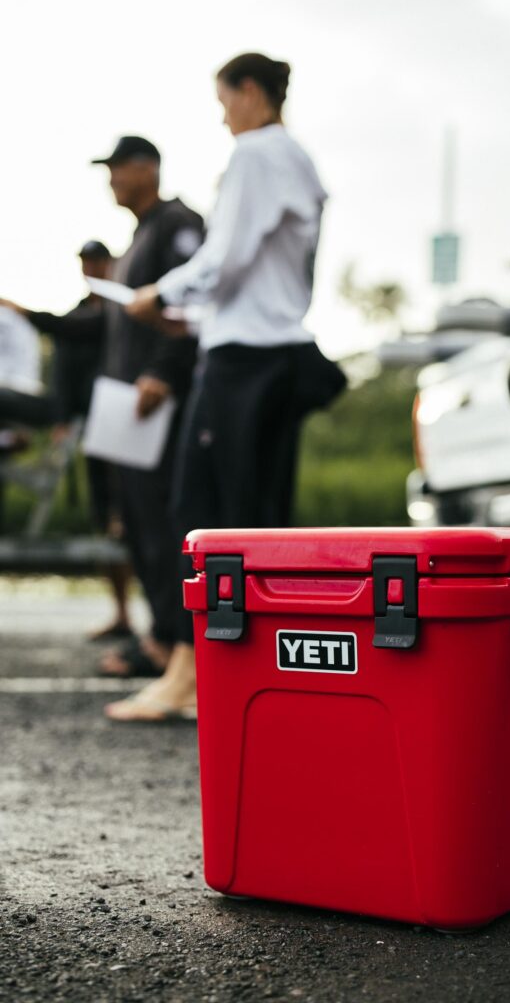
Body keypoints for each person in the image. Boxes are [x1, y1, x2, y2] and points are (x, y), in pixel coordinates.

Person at [105, 52, 333, 721]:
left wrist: (158, 293)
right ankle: (229, 676)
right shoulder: (300, 161)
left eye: (224, 99)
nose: (222, 114)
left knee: (202, 519)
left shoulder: (256, 154)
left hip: (242, 362)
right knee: (252, 520)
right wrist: (195, 312)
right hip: (272, 353)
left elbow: (224, 254)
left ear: (250, 91)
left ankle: (193, 674)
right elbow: (264, 274)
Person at [89, 136, 204, 677]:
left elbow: (189, 305)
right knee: (134, 521)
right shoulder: (139, 235)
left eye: (117, 168)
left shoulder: (177, 223)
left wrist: (163, 370)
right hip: (124, 402)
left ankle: (170, 637)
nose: (111, 179)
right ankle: (159, 628)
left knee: (161, 521)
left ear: (146, 168)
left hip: (154, 400)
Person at [0, 241, 134, 640]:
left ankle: (137, 612)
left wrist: (25, 312)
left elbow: (71, 330)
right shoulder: (79, 310)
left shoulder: (117, 311)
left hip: (116, 421)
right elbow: (59, 366)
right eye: (86, 263)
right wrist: (58, 418)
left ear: (109, 264)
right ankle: (121, 611)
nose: (91, 269)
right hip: (83, 422)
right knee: (100, 514)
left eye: (97, 262)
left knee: (121, 516)